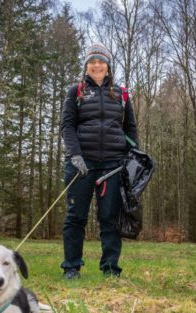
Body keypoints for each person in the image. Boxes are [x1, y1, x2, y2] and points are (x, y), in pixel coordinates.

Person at [60, 42, 139, 279]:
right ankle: (72, 267)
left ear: (108, 65)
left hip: (114, 165)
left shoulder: (121, 94)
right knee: (76, 217)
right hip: (81, 165)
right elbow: (67, 126)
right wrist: (75, 155)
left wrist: (132, 157)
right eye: (92, 61)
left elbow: (131, 129)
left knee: (110, 219)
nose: (96, 65)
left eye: (101, 61)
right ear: (86, 66)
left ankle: (110, 269)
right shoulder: (75, 92)